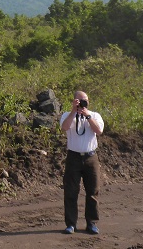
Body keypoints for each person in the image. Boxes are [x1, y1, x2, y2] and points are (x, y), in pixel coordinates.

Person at [59, 90, 104, 235]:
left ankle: (91, 223)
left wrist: (87, 116)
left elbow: (98, 131)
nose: (83, 103)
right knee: (71, 191)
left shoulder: (95, 115)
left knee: (93, 191)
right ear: (74, 101)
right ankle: (71, 224)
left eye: (85, 100)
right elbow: (64, 127)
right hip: (73, 157)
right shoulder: (67, 115)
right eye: (79, 100)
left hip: (91, 157)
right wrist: (74, 111)